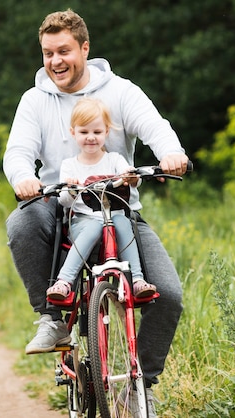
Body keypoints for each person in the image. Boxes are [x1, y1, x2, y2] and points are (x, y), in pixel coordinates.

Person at [2, 9, 188, 416]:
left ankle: (143, 386)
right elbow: (18, 153)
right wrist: (22, 177)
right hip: (63, 209)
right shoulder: (35, 100)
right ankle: (54, 319)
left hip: (120, 210)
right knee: (21, 220)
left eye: (64, 50)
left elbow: (155, 126)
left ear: (85, 48)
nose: (55, 61)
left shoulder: (120, 92)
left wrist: (171, 154)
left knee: (169, 296)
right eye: (48, 53)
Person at [46, 97, 157, 301]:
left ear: (106, 132)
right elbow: (63, 201)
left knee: (123, 222)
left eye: (97, 132)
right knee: (94, 227)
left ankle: (137, 280)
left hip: (115, 216)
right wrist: (70, 189)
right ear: (73, 133)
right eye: (84, 132)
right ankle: (64, 280)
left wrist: (130, 177)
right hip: (82, 221)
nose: (91, 137)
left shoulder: (114, 160)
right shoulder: (70, 165)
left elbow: (129, 177)